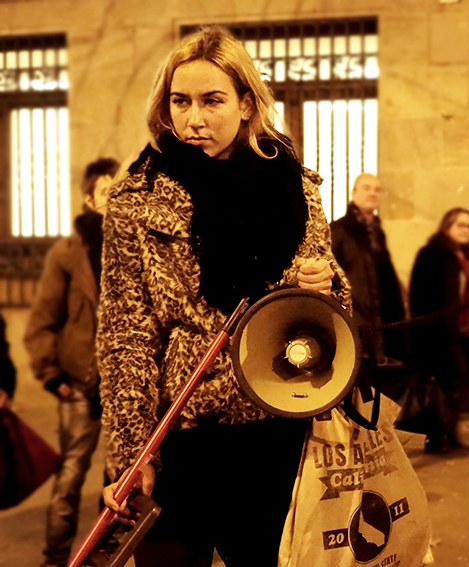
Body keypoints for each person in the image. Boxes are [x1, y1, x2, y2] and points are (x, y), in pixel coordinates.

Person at [96, 26, 349, 567]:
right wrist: (131, 450)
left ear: (246, 103)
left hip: (276, 435)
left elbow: (332, 316)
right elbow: (126, 335)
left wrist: (324, 286)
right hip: (177, 442)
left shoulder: (296, 189)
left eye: (212, 101)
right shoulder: (134, 200)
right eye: (179, 101)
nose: (193, 119)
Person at [24, 157, 119, 567]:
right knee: (70, 476)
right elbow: (43, 320)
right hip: (78, 381)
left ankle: (106, 551)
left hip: (119, 384)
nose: (113, 198)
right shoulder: (67, 254)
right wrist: (51, 375)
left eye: (118, 190)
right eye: (105, 191)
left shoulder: (130, 246)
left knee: (118, 479)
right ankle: (56, 557)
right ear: (88, 198)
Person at [408, 208, 469, 452]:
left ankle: (447, 433)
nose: (466, 230)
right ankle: (438, 436)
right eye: (460, 225)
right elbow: (419, 295)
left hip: (467, 333)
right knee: (444, 383)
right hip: (439, 333)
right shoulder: (433, 255)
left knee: (457, 383)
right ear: (447, 226)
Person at [330, 173, 406, 372]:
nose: (372, 193)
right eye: (366, 188)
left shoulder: (376, 233)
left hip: (382, 331)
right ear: (353, 193)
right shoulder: (338, 231)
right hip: (354, 329)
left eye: (377, 189)